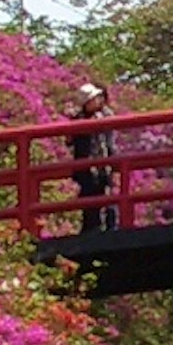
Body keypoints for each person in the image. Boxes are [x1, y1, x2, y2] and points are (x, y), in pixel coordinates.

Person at [66, 82, 116, 234]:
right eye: (95, 98)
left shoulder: (105, 114)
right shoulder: (77, 119)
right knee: (89, 196)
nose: (98, 100)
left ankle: (110, 226)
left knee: (107, 195)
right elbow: (69, 142)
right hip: (85, 165)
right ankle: (91, 228)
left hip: (104, 162)